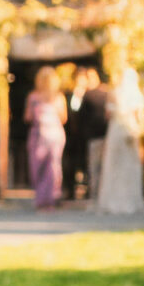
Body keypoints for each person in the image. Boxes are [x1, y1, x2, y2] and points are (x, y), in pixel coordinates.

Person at [97, 67, 144, 214]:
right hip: (129, 129)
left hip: (116, 131)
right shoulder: (137, 95)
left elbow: (108, 114)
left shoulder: (113, 93)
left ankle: (112, 201)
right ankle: (130, 201)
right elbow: (140, 117)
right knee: (129, 165)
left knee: (115, 164)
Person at [24, 66, 68, 209]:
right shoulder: (58, 97)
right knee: (53, 166)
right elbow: (64, 118)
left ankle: (44, 199)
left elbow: (28, 117)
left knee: (39, 167)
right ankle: (49, 198)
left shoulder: (34, 97)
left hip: (42, 134)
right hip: (52, 134)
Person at [77, 67, 110, 201]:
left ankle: (95, 193)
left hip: (95, 135)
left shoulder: (88, 95)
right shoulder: (106, 93)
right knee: (101, 165)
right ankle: (100, 193)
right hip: (104, 135)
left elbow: (80, 116)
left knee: (95, 166)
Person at [62, 66, 89, 200]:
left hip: (85, 135)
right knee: (69, 163)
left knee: (85, 162)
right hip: (70, 135)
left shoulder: (90, 95)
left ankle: (87, 190)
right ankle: (69, 190)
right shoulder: (67, 94)